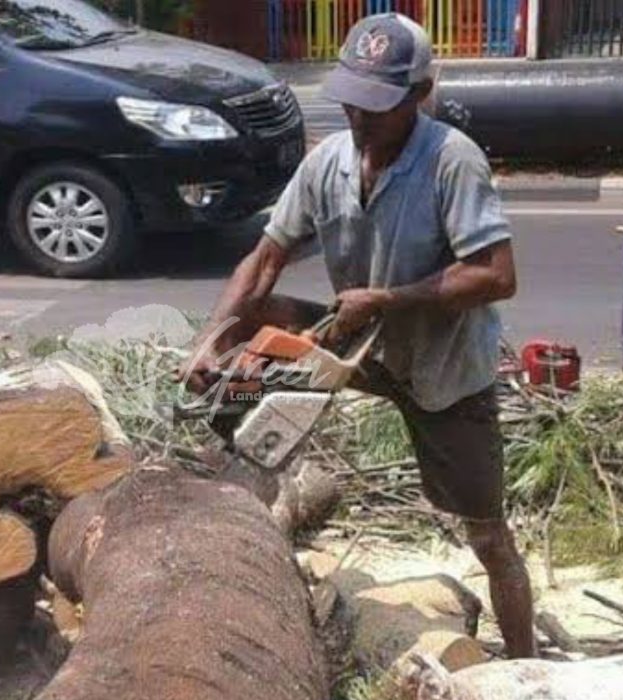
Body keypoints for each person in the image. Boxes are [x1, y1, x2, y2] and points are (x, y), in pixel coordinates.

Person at [180, 13, 536, 658]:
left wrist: (388, 300)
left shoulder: (452, 161)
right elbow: (265, 258)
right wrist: (211, 340)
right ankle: (238, 452)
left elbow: (496, 275)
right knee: (252, 323)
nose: (360, 118)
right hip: (356, 341)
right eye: (353, 102)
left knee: (487, 532)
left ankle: (526, 662)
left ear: (419, 93)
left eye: (378, 106)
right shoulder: (328, 163)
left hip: (443, 366)